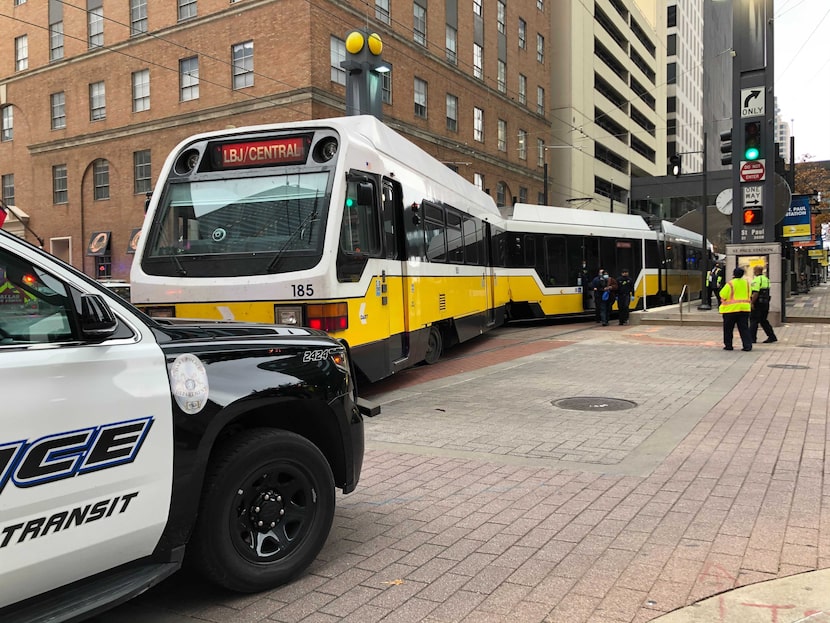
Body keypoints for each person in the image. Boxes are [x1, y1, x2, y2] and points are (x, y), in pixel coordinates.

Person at [719, 266, 752, 351]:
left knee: (728, 329)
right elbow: (750, 294)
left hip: (731, 310)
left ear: (733, 274)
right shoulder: (746, 283)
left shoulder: (730, 283)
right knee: (744, 328)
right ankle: (747, 346)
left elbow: (723, 294)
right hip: (744, 309)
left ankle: (728, 345)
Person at [749, 265, 777, 344]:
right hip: (765, 303)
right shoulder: (766, 279)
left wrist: (752, 303)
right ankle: (772, 336)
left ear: (757, 271)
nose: (754, 272)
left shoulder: (756, 280)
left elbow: (755, 293)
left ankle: (752, 338)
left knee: (753, 320)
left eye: (754, 270)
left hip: (757, 303)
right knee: (763, 320)